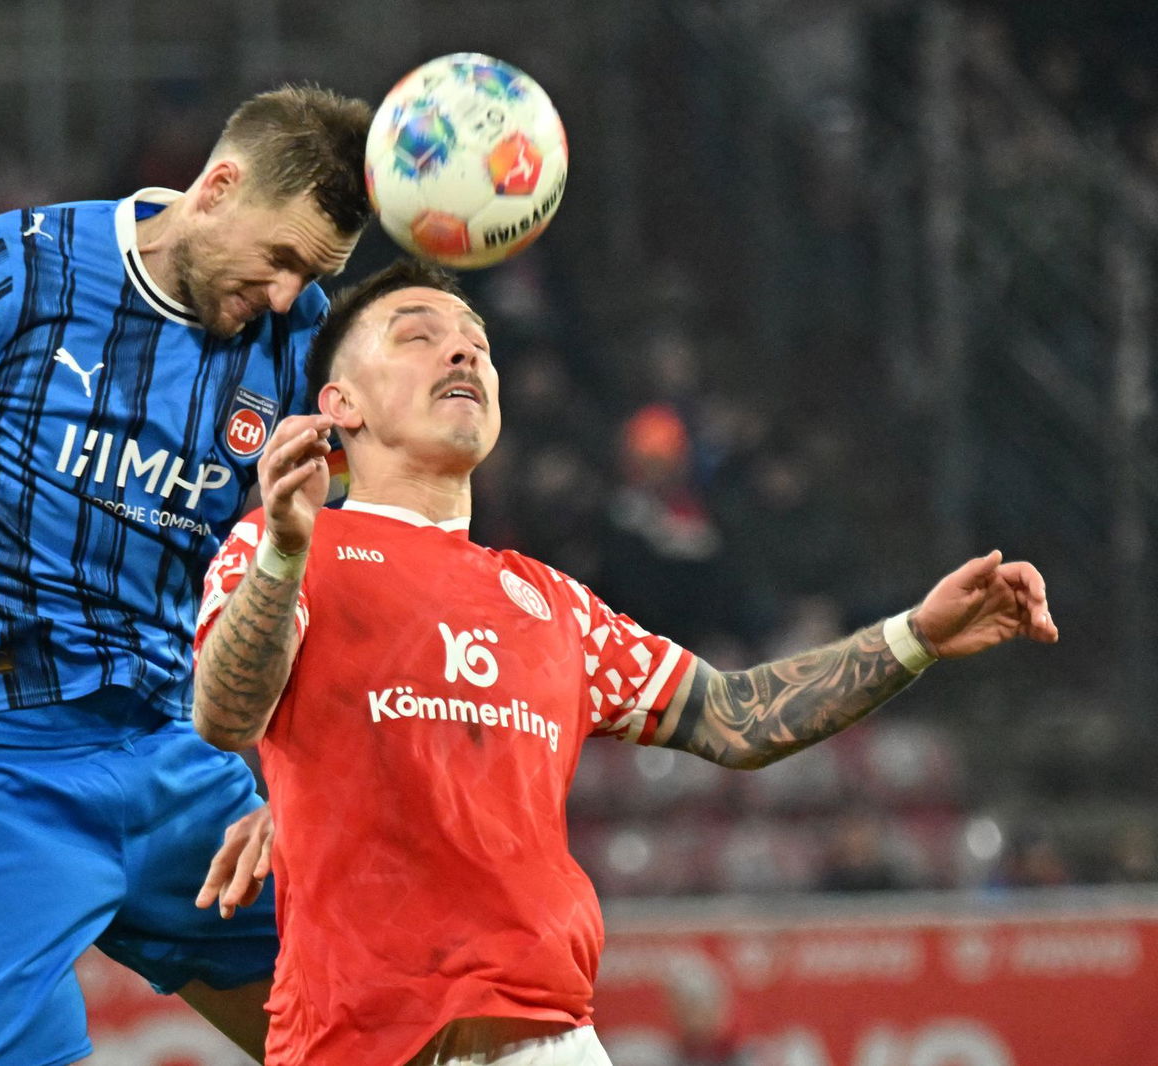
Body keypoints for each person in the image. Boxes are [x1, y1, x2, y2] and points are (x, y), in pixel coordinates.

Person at [190, 258, 1059, 1066]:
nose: (462, 350)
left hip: (546, 1039)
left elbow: (735, 718)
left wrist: (915, 635)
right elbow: (227, 714)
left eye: (477, 342)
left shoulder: (552, 603)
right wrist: (287, 553)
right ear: (340, 403)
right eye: (418, 335)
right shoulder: (287, 545)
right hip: (358, 1044)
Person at [0, 85, 372, 1066]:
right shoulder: (6, 272)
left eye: (315, 275)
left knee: (374, 1039)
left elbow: (323, 569)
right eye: (281, 258)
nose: (287, 295)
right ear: (219, 187)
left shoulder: (297, 338)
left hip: (174, 769)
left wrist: (299, 782)